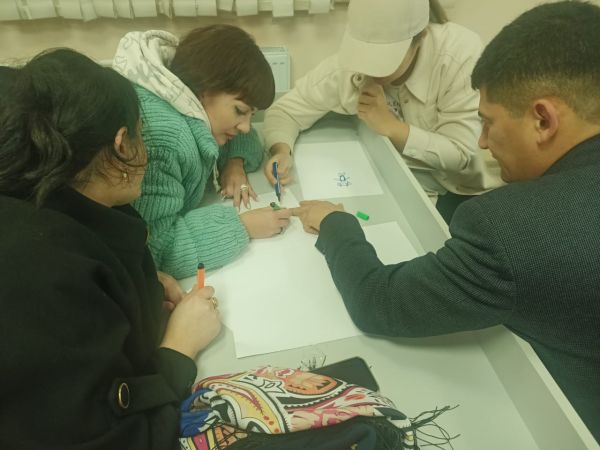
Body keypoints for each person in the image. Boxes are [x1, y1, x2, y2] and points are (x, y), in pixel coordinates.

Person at [291, 1, 600, 442]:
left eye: (488, 123)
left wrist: (336, 223)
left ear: (542, 119)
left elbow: (379, 301)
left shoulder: (514, 229)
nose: (483, 142)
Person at [0, 48, 221, 449]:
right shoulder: (44, 277)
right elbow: (122, 439)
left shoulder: (46, 196)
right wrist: (179, 349)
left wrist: (134, 291)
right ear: (122, 144)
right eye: (142, 134)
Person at [262, 0, 504, 223]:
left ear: (420, 38)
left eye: (384, 61)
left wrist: (392, 128)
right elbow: (285, 111)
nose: (370, 70)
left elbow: (460, 154)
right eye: (364, 56)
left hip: (466, 192)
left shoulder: (459, 54)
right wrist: (281, 150)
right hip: (402, 186)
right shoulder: (347, 67)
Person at [113, 25, 292, 280]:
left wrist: (234, 162)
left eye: (251, 115)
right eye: (240, 111)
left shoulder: (183, 95)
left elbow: (245, 135)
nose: (246, 126)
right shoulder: (163, 140)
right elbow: (156, 250)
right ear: (203, 90)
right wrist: (243, 226)